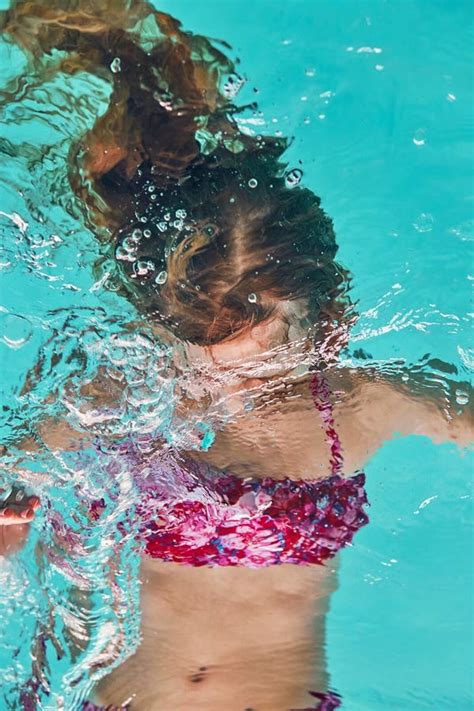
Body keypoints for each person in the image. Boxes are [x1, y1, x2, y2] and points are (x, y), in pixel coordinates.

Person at [0, 2, 472, 709]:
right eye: (200, 361)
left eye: (258, 366)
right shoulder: (123, 394)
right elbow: (15, 474)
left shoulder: (354, 404)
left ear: (328, 323)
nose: (227, 390)